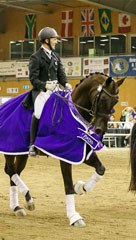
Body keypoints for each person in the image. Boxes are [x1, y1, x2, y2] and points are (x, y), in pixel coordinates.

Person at [26, 27, 72, 156]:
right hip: (42, 92)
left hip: (56, 90)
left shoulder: (56, 56)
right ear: (46, 40)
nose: (56, 41)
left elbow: (61, 74)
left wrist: (66, 84)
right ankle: (32, 144)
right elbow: (33, 79)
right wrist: (45, 85)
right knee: (39, 113)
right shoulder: (36, 57)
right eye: (54, 39)